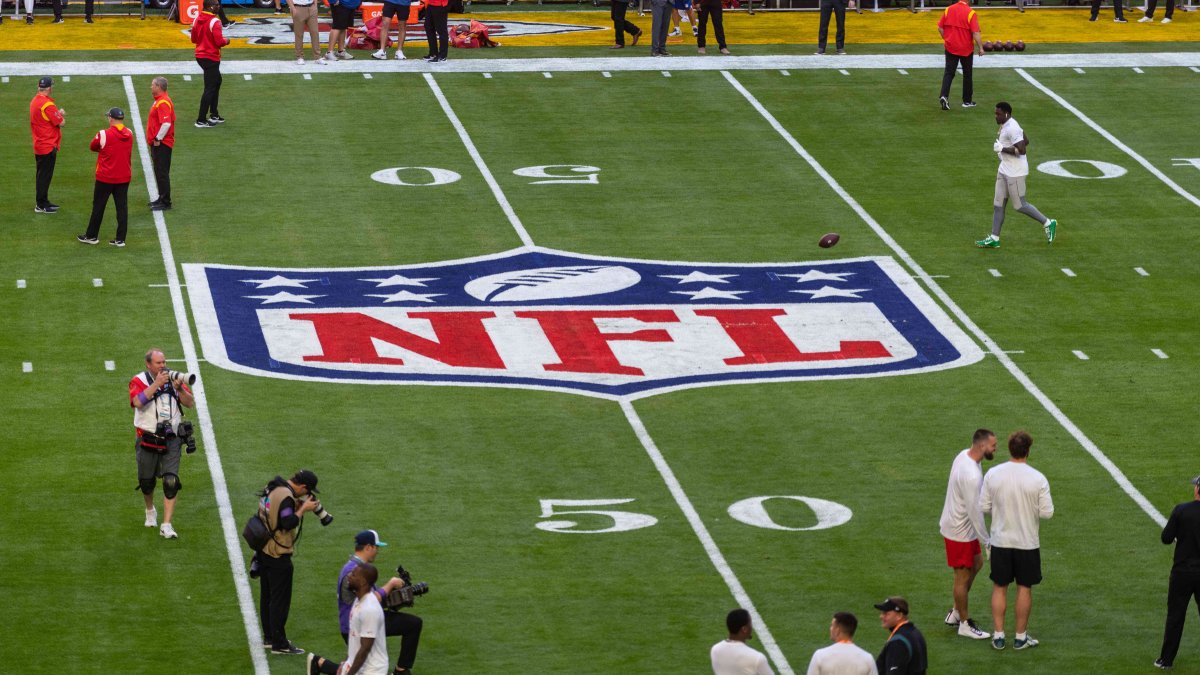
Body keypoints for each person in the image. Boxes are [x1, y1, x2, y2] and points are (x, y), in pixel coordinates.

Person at [308, 530, 422, 674]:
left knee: (412, 624)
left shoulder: (359, 568)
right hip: (357, 625)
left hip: (360, 621)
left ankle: (319, 663)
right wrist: (391, 584)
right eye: (376, 547)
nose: (378, 551)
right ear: (368, 547)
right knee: (361, 666)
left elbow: (371, 599)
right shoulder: (354, 572)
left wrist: (397, 598)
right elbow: (371, 600)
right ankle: (319, 663)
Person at [979, 430, 1053, 651]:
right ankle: (1020, 637)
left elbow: (983, 506)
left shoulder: (993, 474)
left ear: (1010, 449)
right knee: (1024, 588)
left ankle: (999, 635)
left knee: (999, 587)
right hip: (1026, 543)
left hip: (1001, 541)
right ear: (1028, 450)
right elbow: (1047, 513)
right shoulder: (1037, 478)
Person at [254, 469, 324, 655]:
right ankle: (280, 644)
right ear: (302, 486)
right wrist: (302, 509)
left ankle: (269, 637)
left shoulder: (272, 486)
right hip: (277, 553)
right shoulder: (286, 496)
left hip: (263, 549)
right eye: (308, 491)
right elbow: (287, 522)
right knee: (279, 601)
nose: (308, 495)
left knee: (267, 596)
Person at [127, 349, 195, 539]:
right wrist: (156, 385)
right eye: (158, 363)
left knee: (171, 481)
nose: (163, 365)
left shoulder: (172, 377)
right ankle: (150, 510)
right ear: (148, 364)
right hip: (147, 437)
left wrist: (180, 388)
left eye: (164, 361)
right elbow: (137, 402)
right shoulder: (139, 380)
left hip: (172, 437)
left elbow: (190, 403)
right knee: (146, 482)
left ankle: (166, 524)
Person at [974, 102, 1058, 249]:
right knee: (998, 204)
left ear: (1006, 114)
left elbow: (1023, 149)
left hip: (1016, 172)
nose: (996, 116)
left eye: (998, 114)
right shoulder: (1009, 124)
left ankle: (1048, 223)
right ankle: (994, 238)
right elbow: (1026, 140)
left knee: (1019, 205)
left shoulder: (1012, 127)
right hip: (1004, 169)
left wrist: (1003, 149)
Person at [939, 428, 995, 640]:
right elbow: (975, 513)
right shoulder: (972, 476)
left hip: (959, 525)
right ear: (982, 446)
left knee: (977, 563)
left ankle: (955, 613)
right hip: (960, 530)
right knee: (961, 577)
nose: (995, 449)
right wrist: (988, 542)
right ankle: (963, 623)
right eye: (993, 445)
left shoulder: (964, 455)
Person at [308, 565, 390, 675]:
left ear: (363, 582)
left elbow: (365, 648)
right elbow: (354, 637)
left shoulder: (370, 609)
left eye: (353, 575)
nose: (349, 577)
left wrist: (350, 673)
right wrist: (345, 662)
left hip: (372, 670)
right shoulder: (358, 600)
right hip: (359, 666)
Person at [1155, 475, 1200, 670]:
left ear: (1198, 489)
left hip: (1182, 572)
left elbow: (1166, 538)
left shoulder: (1182, 510)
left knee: (1176, 616)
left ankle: (1166, 660)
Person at [76, 107, 133, 247]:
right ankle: (121, 239)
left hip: (105, 177)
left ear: (111, 118)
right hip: (123, 177)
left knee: (98, 207)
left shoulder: (103, 134)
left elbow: (92, 146)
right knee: (122, 208)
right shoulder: (130, 133)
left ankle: (91, 236)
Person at [936, 0, 983, 111]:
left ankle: (944, 95)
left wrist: (946, 38)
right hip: (965, 48)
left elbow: (940, 28)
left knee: (949, 72)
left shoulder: (948, 9)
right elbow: (975, 33)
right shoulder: (971, 13)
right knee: (967, 74)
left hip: (950, 46)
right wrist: (981, 47)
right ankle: (967, 101)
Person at [30, 76, 66, 214]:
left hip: (39, 143)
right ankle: (41, 204)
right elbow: (61, 122)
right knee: (44, 176)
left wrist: (57, 114)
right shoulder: (48, 105)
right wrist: (60, 115)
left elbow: (46, 118)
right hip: (47, 145)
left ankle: (44, 201)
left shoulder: (35, 101)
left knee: (42, 175)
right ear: (49, 88)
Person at [191, 0, 229, 129]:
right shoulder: (215, 22)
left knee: (217, 81)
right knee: (210, 87)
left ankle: (214, 114)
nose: (219, 6)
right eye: (217, 5)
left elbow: (193, 39)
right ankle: (201, 119)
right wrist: (227, 41)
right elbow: (219, 42)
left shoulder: (197, 19)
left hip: (200, 56)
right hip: (211, 57)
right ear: (211, 6)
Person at [805, 612, 877, 675]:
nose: (830, 628)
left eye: (832, 625)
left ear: (837, 630)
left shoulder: (820, 655)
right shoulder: (867, 659)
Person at [711, 608, 774, 675]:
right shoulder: (757, 658)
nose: (751, 627)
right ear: (744, 629)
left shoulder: (715, 650)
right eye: (750, 623)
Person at [873, 597, 927, 675]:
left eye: (886, 613)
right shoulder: (915, 633)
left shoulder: (898, 643)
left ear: (899, 616)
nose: (881, 616)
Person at [146, 77, 176, 212]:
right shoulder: (160, 101)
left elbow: (166, 123)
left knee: (162, 172)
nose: (150, 87)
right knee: (159, 171)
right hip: (159, 143)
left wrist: (157, 138)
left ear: (159, 86)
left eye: (152, 85)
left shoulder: (163, 102)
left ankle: (166, 202)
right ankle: (161, 197)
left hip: (162, 144)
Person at [290, 0, 327, 65]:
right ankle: (299, 57)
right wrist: (292, 8)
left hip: (311, 7)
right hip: (298, 7)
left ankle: (317, 57)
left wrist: (315, 6)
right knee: (299, 34)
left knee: (315, 32)